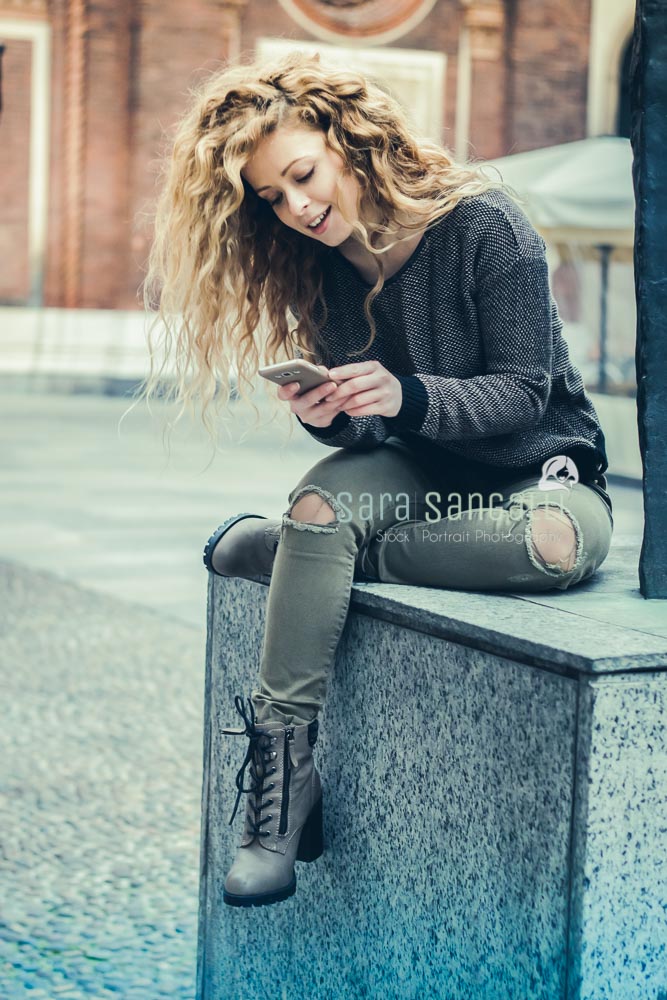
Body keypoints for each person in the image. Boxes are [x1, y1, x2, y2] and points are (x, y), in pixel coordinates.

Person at [143, 51, 614, 909]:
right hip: (417, 471)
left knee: (547, 546)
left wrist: (405, 394)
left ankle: (302, 554)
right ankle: (281, 786)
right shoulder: (323, 267)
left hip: (537, 474)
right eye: (271, 198)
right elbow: (370, 423)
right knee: (325, 495)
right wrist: (329, 414)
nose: (297, 207)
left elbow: (522, 392)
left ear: (345, 137)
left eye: (301, 176)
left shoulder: (485, 225)